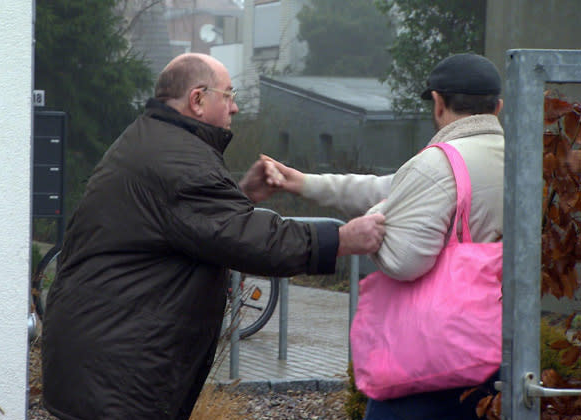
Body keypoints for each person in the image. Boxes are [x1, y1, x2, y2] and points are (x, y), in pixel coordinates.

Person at [41, 52, 386, 420]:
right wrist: (342, 239)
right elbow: (251, 241)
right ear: (198, 99)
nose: (235, 107)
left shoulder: (155, 141)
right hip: (118, 375)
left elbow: (198, 225)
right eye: (229, 95)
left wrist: (243, 196)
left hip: (103, 361)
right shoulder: (179, 161)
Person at [254, 53, 504, 419]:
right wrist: (304, 183)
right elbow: (392, 187)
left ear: (437, 102)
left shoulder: (439, 163)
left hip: (431, 362)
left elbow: (404, 261)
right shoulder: (520, 160)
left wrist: (372, 221)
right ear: (496, 107)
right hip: (489, 349)